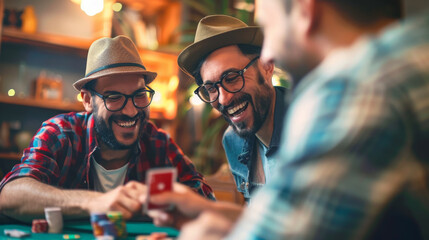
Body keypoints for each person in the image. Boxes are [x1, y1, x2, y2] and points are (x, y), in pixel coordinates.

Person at [151, 0, 429, 239]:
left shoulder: (352, 89)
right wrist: (208, 212)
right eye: (212, 88)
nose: (269, 52)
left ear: (306, 11)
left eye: (269, 28)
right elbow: (288, 217)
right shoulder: (412, 52)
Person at [0, 35, 214, 223]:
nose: (131, 111)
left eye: (139, 95)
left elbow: (205, 200)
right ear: (87, 100)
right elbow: (10, 196)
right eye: (114, 97)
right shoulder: (60, 134)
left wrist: (164, 201)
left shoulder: (158, 143)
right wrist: (95, 202)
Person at [178, 15, 289, 202]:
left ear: (267, 66)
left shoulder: (308, 126)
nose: (224, 98)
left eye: (231, 78)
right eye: (211, 88)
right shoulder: (233, 141)